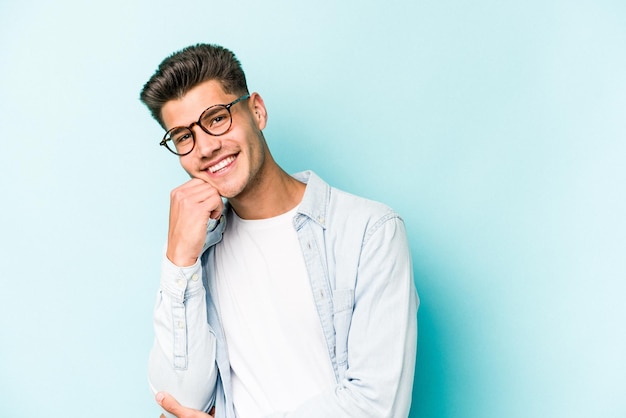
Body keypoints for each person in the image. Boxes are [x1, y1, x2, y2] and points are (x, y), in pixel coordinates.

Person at [140, 43, 419, 418]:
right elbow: (178, 401)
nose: (205, 147)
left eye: (217, 118)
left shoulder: (369, 231)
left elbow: (375, 405)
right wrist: (178, 262)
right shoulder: (197, 255)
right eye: (183, 137)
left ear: (257, 110)